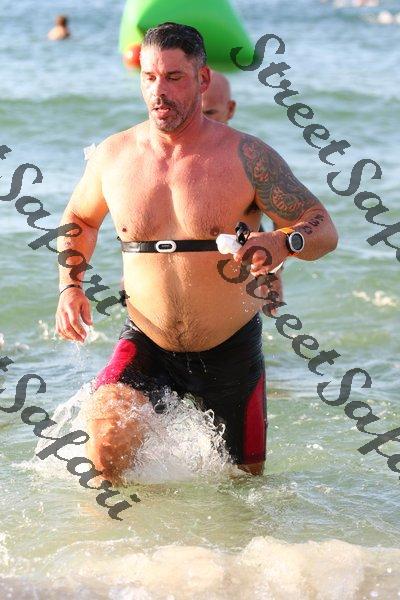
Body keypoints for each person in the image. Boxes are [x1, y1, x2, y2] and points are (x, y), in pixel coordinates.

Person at [55, 22, 338, 482]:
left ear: (202, 79)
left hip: (230, 351)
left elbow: (322, 226)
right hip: (147, 339)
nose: (159, 91)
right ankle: (127, 531)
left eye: (173, 77)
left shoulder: (247, 157)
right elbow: (80, 220)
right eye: (149, 77)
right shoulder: (114, 156)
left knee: (244, 488)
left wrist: (284, 241)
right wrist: (70, 286)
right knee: (104, 448)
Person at [202, 69, 284, 310]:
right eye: (196, 112)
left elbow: (280, 215)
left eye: (209, 113)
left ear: (230, 109)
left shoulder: (249, 158)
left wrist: (274, 272)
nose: (201, 121)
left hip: (240, 262)